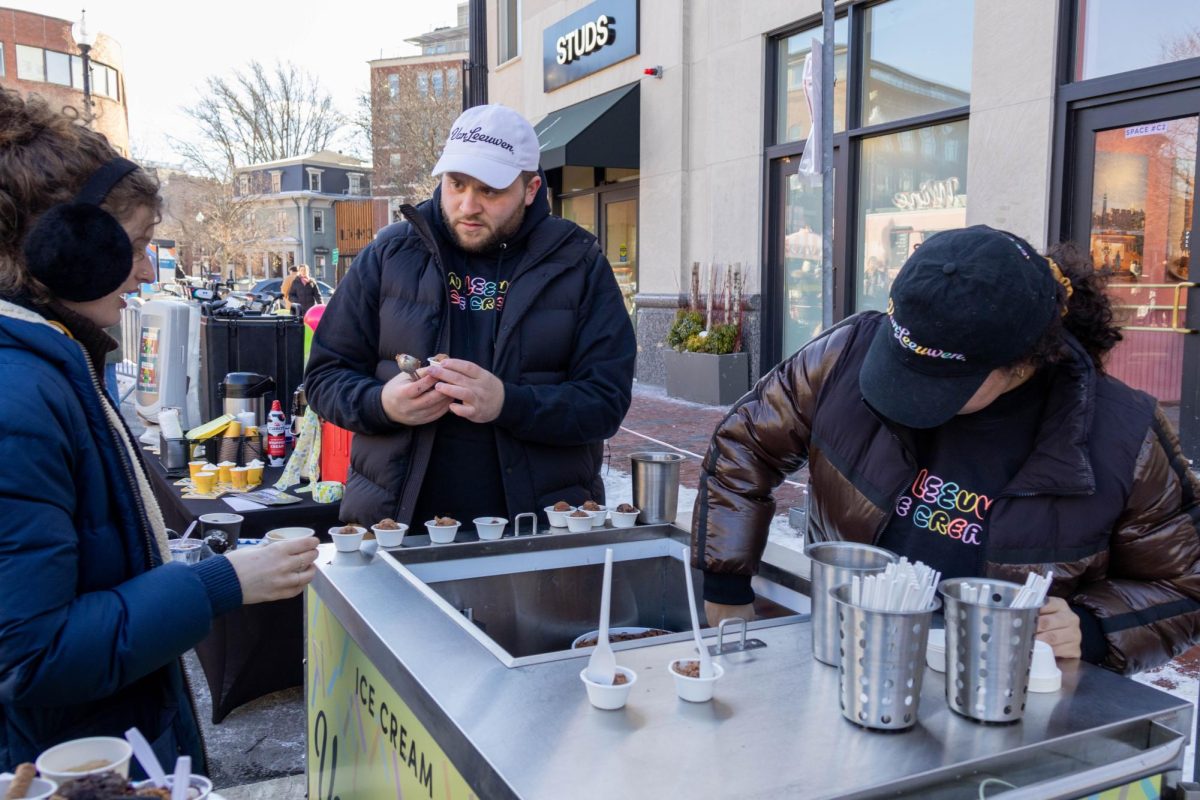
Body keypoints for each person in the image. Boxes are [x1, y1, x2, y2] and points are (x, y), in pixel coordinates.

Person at [694, 225, 1200, 675]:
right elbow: (745, 447)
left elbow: (1184, 586)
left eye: (940, 384)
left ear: (1024, 362)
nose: (906, 398)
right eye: (900, 364)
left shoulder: (1122, 435)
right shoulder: (846, 354)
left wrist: (1090, 628)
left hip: (997, 697)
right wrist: (726, 586)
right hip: (842, 656)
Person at [0, 90, 321, 773]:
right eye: (138, 246)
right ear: (62, 249)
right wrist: (220, 584)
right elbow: (35, 654)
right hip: (78, 768)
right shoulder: (18, 400)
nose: (146, 271)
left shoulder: (49, 365)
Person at [305, 104, 636, 527]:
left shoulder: (579, 263)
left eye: (490, 190)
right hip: (396, 527)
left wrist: (508, 403)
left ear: (531, 188)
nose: (467, 205)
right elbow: (324, 377)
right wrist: (381, 403)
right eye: (456, 184)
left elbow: (606, 402)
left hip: (538, 528)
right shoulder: (390, 254)